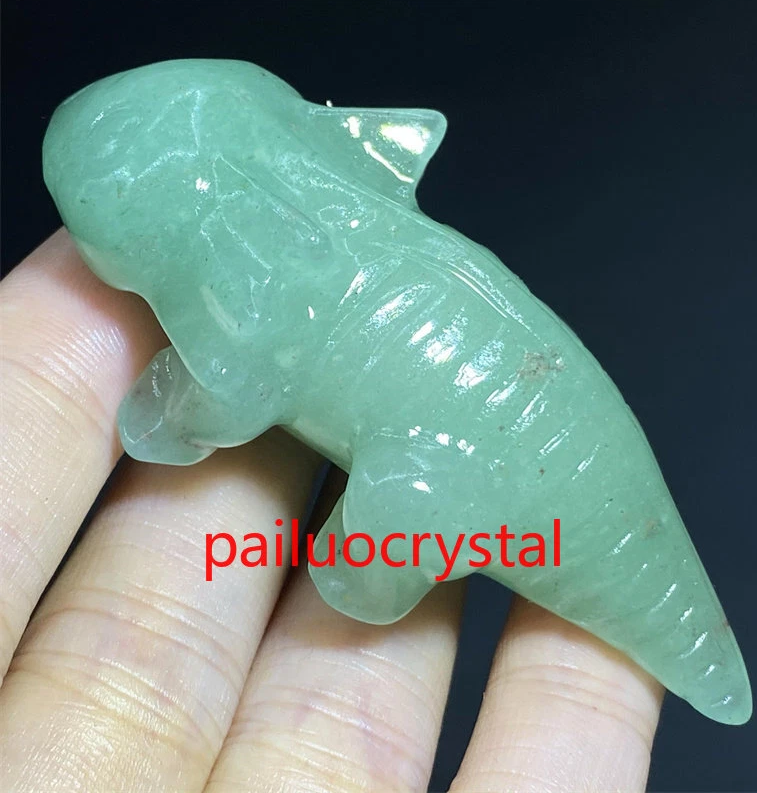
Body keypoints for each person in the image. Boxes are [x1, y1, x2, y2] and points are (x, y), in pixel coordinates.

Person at [0, 229, 663, 792]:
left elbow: (222, 398)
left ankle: (382, 566)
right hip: (467, 435)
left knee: (390, 524)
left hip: (473, 460)